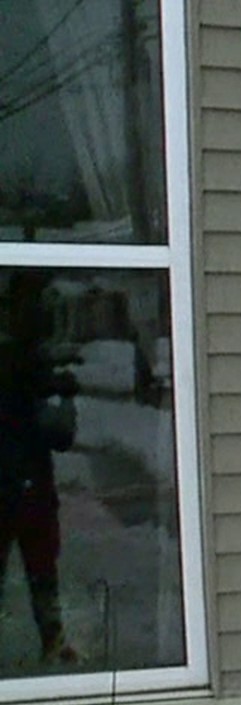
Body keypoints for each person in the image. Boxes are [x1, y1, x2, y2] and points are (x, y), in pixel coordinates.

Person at [0, 270, 79, 669]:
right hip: (27, 483)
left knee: (40, 567)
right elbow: (57, 433)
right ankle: (53, 640)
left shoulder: (19, 356)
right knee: (42, 570)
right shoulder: (25, 360)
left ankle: (54, 640)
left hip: (18, 480)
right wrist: (64, 396)